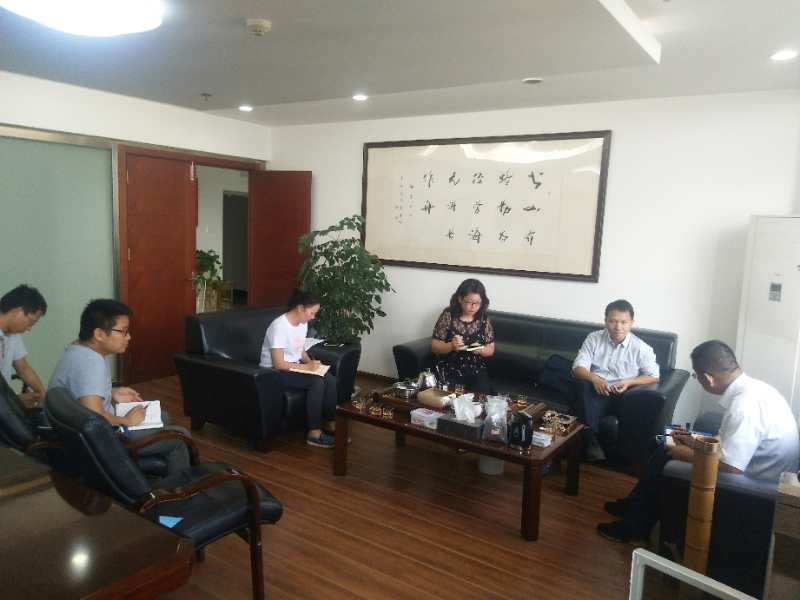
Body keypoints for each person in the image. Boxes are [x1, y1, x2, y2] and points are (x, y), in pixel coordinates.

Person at [597, 340, 800, 543]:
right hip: (754, 467)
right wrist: (691, 440)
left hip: (755, 485)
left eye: (696, 376)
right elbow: (726, 441)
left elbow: (732, 467)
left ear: (708, 378)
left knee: (665, 454)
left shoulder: (744, 407)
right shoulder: (755, 389)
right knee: (664, 440)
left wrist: (687, 454)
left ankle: (635, 528)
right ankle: (634, 505)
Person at [48, 299, 191, 474]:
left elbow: (80, 388)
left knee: (163, 416)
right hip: (102, 441)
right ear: (99, 334)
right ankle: (180, 486)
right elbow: (95, 419)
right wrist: (127, 421)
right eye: (123, 331)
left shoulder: (77, 348)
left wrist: (110, 392)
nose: (129, 337)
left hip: (75, 433)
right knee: (180, 437)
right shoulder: (92, 363)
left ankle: (155, 469)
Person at [572, 299, 660, 461]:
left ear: (631, 323)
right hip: (595, 391)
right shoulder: (594, 338)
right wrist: (594, 378)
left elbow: (654, 375)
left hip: (622, 394)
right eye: (613, 321)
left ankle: (587, 440)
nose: (618, 327)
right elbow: (578, 368)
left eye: (623, 322)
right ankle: (590, 440)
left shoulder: (641, 348)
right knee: (582, 384)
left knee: (580, 399)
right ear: (605, 321)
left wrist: (630, 382)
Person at [260, 289, 339, 448]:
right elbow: (279, 363)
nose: (313, 317)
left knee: (329, 379)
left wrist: (312, 365)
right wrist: (307, 368)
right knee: (316, 382)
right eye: (311, 313)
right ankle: (314, 434)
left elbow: (299, 350)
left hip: (291, 367)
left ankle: (331, 424)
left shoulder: (302, 323)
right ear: (300, 308)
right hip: (272, 373)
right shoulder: (279, 326)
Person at [431, 278, 496, 394]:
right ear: (460, 299)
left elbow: (490, 350)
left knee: (482, 397)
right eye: (469, 302)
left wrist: (480, 349)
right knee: (448, 397)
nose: (473, 307)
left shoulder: (483, 318)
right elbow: (434, 346)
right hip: (450, 368)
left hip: (475, 370)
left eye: (477, 303)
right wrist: (451, 346)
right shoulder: (448, 315)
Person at [0, 284, 48, 404]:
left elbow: (23, 367)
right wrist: (16, 401)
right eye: (31, 322)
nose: (29, 328)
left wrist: (42, 394)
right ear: (18, 312)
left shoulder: (13, 334)